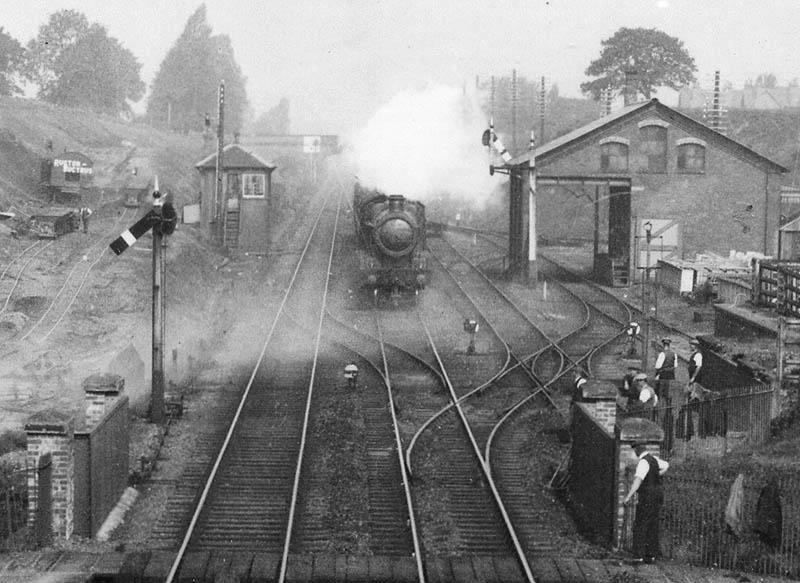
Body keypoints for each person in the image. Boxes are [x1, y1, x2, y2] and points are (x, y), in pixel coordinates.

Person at [623, 442, 669, 564]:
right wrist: (656, 476)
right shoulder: (654, 459)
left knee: (641, 524)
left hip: (647, 497)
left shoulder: (643, 462)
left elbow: (637, 482)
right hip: (658, 495)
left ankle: (638, 555)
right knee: (653, 524)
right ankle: (651, 555)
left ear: (637, 451)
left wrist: (628, 497)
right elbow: (666, 465)